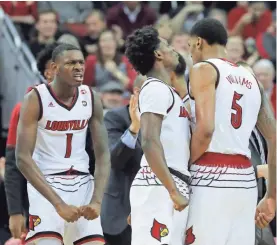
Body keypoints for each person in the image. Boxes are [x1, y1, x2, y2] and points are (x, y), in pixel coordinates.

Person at [185, 18, 276, 245]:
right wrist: (271, 195)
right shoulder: (251, 77)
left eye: (189, 48)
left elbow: (206, 130)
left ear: (198, 42)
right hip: (245, 181)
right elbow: (274, 136)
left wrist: (185, 167)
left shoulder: (203, 69)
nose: (190, 55)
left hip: (209, 173)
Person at [15, 43, 111, 245]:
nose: (78, 67)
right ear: (54, 68)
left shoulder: (91, 97)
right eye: (70, 63)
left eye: (81, 62)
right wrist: (58, 204)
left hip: (83, 183)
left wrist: (97, 200)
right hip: (47, 184)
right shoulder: (35, 98)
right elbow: (22, 158)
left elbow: (103, 155)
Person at [125, 26, 191, 245]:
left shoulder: (168, 91)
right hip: (161, 185)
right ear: (158, 54)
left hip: (166, 183)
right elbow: (149, 140)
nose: (173, 50)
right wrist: (172, 191)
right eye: (168, 46)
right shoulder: (154, 88)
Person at [4, 42, 60, 243]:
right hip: (39, 198)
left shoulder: (86, 105)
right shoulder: (24, 108)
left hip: (77, 195)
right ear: (49, 73)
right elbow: (12, 164)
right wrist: (15, 211)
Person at [101, 75, 145, 245]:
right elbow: (116, 160)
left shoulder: (166, 120)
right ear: (137, 92)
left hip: (155, 206)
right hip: (121, 209)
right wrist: (134, 129)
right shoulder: (115, 117)